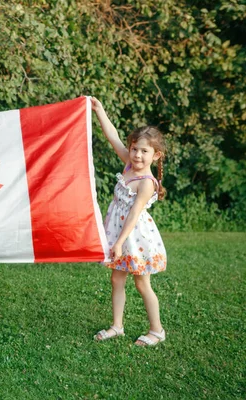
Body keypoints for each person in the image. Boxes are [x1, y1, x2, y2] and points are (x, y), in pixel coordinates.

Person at [91, 97, 168, 346]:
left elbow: (134, 214)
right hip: (119, 233)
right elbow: (112, 136)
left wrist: (119, 243)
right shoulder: (127, 166)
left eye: (144, 151)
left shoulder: (146, 182)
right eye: (134, 148)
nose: (137, 154)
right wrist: (100, 111)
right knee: (116, 279)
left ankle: (156, 330)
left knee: (142, 283)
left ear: (156, 155)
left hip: (134, 237)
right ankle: (117, 326)